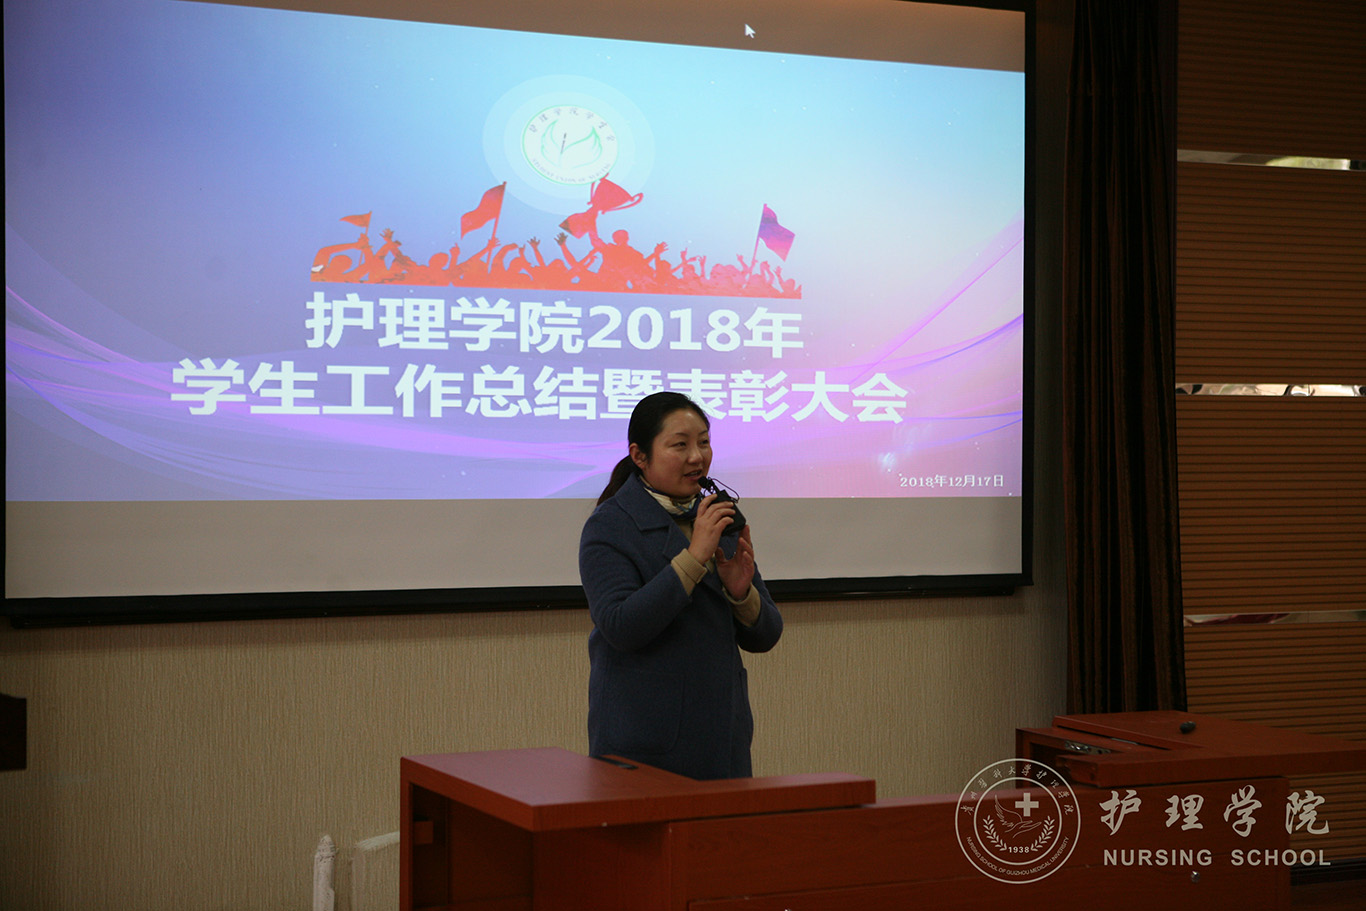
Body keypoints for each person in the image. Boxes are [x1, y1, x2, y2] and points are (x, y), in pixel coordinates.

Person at [579, 392, 783, 780]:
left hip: (723, 739)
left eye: (704, 442)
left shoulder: (718, 515)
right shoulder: (610, 525)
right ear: (640, 456)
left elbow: (767, 635)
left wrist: (741, 594)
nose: (696, 457)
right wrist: (693, 558)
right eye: (680, 445)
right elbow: (620, 626)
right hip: (644, 742)